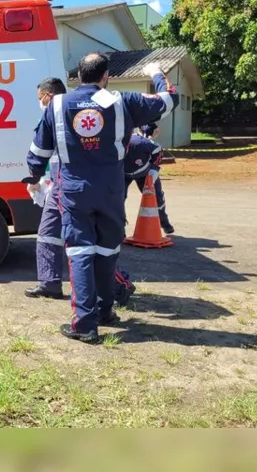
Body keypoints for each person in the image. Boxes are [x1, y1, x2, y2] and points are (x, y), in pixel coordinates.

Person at [25, 53, 178, 342]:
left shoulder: (57, 104)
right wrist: (157, 73)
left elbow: (37, 155)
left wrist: (34, 178)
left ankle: (84, 324)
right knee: (107, 250)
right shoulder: (124, 101)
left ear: (79, 75)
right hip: (110, 190)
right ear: (105, 76)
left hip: (74, 192)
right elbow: (169, 99)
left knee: (80, 252)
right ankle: (105, 310)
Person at [25, 77, 69, 299]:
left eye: (39, 98)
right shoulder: (76, 113)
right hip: (65, 185)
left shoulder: (55, 114)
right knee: (50, 234)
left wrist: (33, 179)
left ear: (47, 96)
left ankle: (116, 287)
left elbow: (39, 151)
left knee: (55, 235)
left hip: (67, 187)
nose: (39, 103)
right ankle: (49, 282)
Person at [124, 122, 174, 234]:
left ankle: (164, 222)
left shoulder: (141, 143)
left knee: (156, 197)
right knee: (116, 199)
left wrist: (154, 168)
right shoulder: (112, 145)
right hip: (123, 175)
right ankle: (119, 228)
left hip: (145, 173)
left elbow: (159, 150)